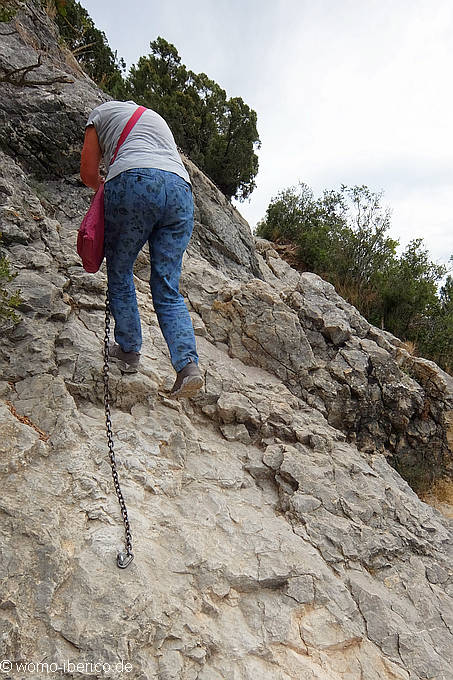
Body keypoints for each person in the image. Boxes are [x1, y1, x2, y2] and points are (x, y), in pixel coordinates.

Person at [80, 100, 203, 399]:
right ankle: (188, 367)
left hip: (135, 180)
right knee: (166, 285)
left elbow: (88, 172)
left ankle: (128, 348)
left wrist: (105, 190)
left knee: (120, 270)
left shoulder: (99, 115)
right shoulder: (155, 118)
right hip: (180, 192)